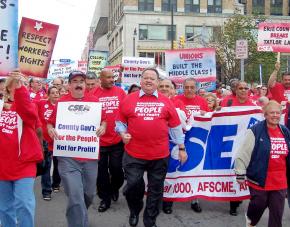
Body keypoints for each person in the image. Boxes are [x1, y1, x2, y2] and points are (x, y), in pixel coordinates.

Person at [116, 68, 187, 227]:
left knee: (155, 190)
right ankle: (135, 209)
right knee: (133, 185)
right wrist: (122, 133)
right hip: (134, 154)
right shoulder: (128, 99)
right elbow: (120, 121)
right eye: (146, 78)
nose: (148, 81)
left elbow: (175, 127)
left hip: (159, 155)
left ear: (157, 82)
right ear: (141, 81)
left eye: (152, 79)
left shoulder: (166, 101)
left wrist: (181, 148)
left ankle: (150, 220)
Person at [47, 71, 107, 227]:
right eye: (75, 81)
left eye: (82, 80)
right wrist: (50, 129)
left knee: (88, 194)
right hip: (67, 157)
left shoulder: (95, 102)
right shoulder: (62, 103)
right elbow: (50, 123)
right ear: (69, 85)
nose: (79, 83)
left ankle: (79, 214)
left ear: (85, 84)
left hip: (90, 157)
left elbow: (105, 120)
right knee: (75, 195)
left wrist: (103, 127)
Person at [234, 100, 290, 227]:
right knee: (257, 208)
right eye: (271, 113)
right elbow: (243, 153)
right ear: (265, 114)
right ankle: (250, 220)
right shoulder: (255, 131)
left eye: (277, 113)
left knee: (277, 215)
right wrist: (240, 173)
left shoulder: (285, 131)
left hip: (280, 181)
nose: (275, 115)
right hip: (260, 179)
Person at [0, 72, 43, 227]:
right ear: (7, 90)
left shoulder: (28, 107)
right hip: (2, 165)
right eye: (16, 86)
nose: (20, 89)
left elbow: (30, 115)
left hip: (24, 164)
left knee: (24, 204)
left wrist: (21, 90)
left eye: (23, 86)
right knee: (5, 208)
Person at [91, 69, 126, 212]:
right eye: (109, 77)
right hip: (98, 141)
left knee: (117, 170)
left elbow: (127, 112)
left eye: (113, 77)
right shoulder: (93, 94)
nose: (112, 79)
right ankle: (105, 199)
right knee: (101, 173)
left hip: (117, 140)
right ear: (101, 78)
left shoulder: (120, 92)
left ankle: (114, 188)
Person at [175, 77, 208, 212]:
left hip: (196, 140)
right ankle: (171, 197)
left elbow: (208, 117)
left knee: (194, 168)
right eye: (186, 87)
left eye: (191, 87)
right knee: (176, 166)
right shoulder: (176, 100)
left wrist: (205, 114)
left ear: (196, 88)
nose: (189, 90)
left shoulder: (201, 101)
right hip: (179, 139)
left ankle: (194, 199)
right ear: (183, 87)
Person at [37, 86, 60, 201]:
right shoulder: (41, 104)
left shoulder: (62, 106)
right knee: (46, 167)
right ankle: (46, 191)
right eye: (53, 93)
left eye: (57, 92)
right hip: (45, 142)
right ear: (48, 95)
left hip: (58, 141)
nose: (56, 94)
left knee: (58, 165)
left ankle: (56, 183)